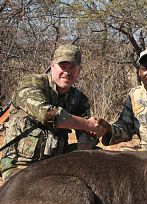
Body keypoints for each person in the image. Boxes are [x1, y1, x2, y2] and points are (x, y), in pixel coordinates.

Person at [0, 44, 105, 181]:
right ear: (52, 66)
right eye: (63, 66)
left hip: (55, 161)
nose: (67, 72)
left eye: (72, 67)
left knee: (99, 158)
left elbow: (87, 134)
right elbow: (47, 114)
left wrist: (83, 152)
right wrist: (86, 124)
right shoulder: (31, 83)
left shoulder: (79, 99)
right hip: (21, 163)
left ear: (79, 70)